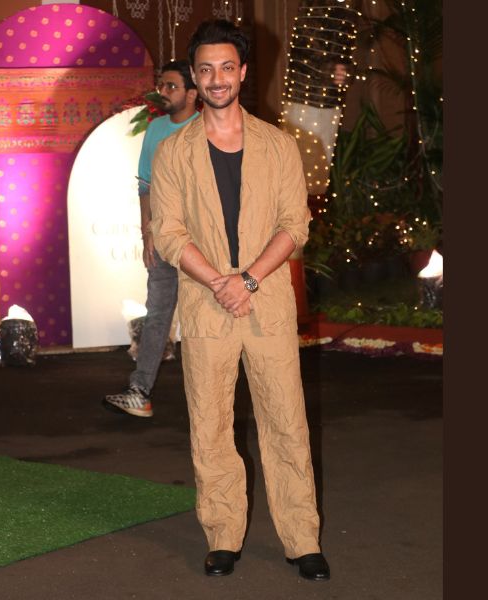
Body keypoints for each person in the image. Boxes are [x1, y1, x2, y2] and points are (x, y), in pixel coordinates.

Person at [150, 20, 331, 581]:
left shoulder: (278, 145)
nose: (216, 79)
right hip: (206, 306)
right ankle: (222, 534)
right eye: (205, 69)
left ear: (243, 72)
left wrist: (246, 280)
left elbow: (295, 224)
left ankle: (302, 539)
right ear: (194, 76)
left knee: (286, 421)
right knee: (210, 425)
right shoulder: (173, 152)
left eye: (227, 67)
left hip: (266, 301)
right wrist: (219, 282)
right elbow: (168, 233)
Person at [103, 59, 199, 418]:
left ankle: (211, 399)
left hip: (203, 244)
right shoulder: (156, 128)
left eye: (171, 86)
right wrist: (148, 234)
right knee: (157, 315)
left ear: (193, 93)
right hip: (163, 239)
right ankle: (139, 391)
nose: (163, 92)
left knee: (205, 319)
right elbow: (145, 185)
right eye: (162, 85)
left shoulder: (207, 128)